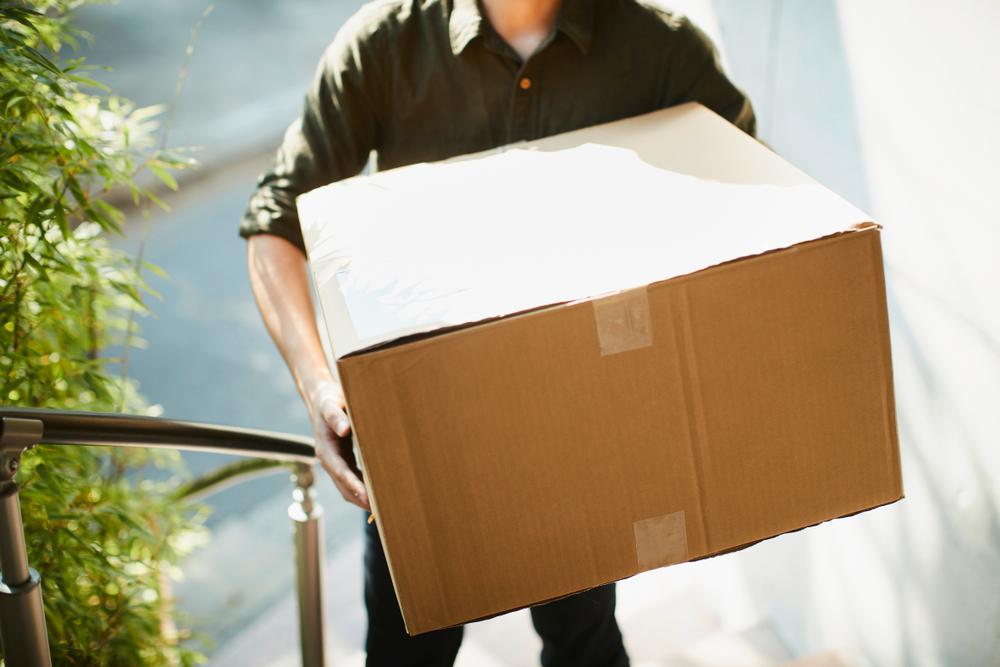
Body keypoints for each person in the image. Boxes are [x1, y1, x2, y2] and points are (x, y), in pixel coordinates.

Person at [240, 0, 755, 664]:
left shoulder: (658, 46)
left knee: (585, 640)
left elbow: (749, 208)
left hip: (581, 433)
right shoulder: (384, 43)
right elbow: (275, 225)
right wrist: (319, 389)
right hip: (421, 439)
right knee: (406, 651)